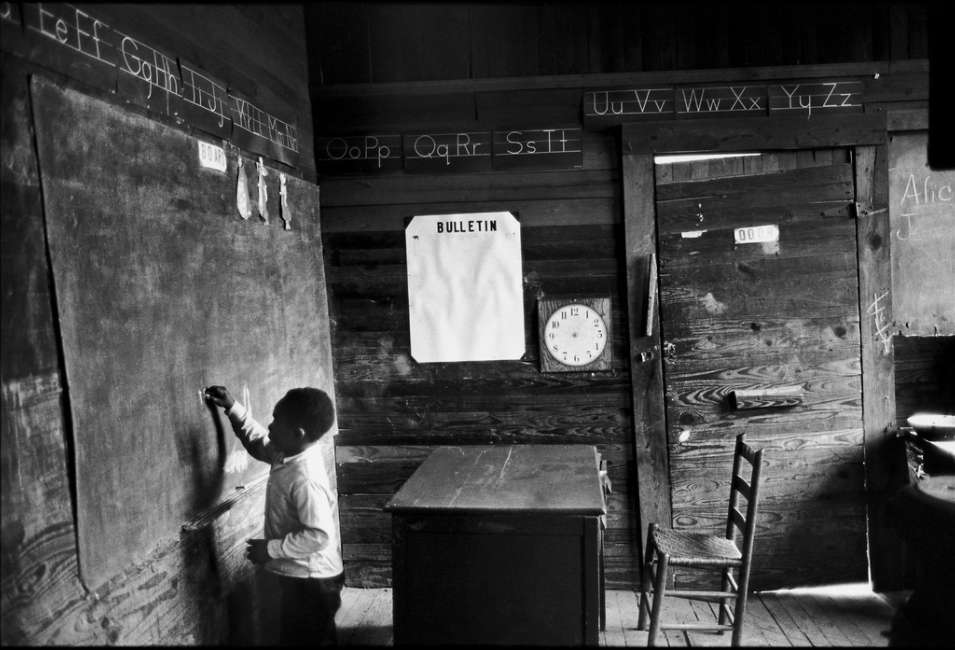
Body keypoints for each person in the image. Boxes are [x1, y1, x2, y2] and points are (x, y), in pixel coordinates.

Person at [204, 385, 344, 646]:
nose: (269, 426)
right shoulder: (287, 451)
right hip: (300, 575)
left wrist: (271, 549)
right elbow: (258, 443)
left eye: (276, 422)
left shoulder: (305, 479)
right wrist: (233, 408)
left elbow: (319, 535)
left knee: (308, 639)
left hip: (314, 582)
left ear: (297, 433)